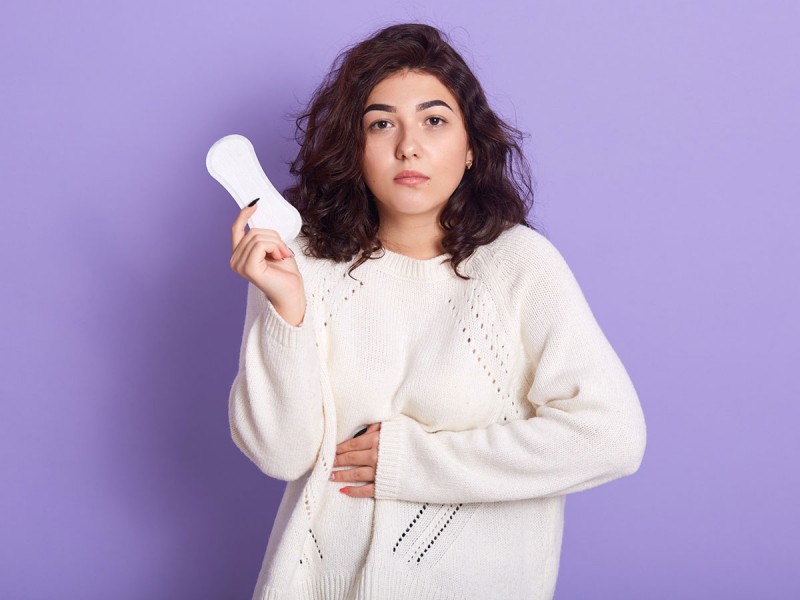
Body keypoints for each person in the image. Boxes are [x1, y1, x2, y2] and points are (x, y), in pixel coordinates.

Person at [226, 22, 646, 600]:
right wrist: (287, 310)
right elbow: (281, 454)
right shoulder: (298, 263)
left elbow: (611, 437)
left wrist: (414, 463)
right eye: (381, 124)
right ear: (354, 148)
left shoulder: (520, 266)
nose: (408, 146)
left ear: (471, 147)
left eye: (434, 121)